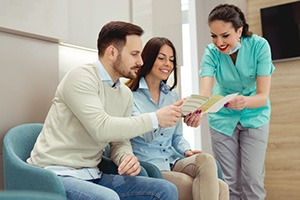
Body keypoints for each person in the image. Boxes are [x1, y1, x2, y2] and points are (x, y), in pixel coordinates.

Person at [27, 21, 182, 200]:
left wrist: (125, 157)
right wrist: (155, 119)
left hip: (93, 175)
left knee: (166, 190)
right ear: (112, 52)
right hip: (56, 174)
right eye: (134, 54)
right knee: (107, 198)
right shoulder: (81, 78)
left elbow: (119, 141)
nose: (140, 61)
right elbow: (101, 129)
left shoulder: (124, 93)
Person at [126, 37, 229, 200]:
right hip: (149, 166)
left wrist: (186, 150)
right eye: (161, 58)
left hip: (173, 162)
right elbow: (146, 134)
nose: (168, 63)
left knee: (207, 161)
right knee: (215, 188)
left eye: (171, 60)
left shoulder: (172, 95)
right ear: (148, 58)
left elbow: (177, 137)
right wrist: (165, 115)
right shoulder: (130, 97)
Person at [199, 4, 275, 200]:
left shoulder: (259, 46)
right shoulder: (211, 52)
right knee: (228, 183)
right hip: (222, 120)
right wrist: (196, 110)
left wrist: (244, 102)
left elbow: (262, 96)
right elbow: (205, 93)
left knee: (252, 180)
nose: (219, 42)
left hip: (255, 116)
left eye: (225, 35)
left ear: (239, 30)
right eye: (214, 36)